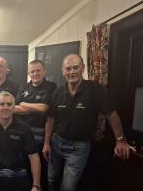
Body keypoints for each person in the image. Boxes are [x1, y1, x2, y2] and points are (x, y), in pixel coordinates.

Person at [42, 53, 135, 191]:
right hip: (56, 143)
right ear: (62, 71)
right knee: (52, 179)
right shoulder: (57, 92)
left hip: (79, 148)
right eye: (68, 68)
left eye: (76, 67)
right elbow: (50, 120)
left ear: (83, 68)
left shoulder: (95, 89)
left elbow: (111, 114)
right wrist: (46, 143)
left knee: (68, 187)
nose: (72, 72)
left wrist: (120, 140)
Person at [0, 91, 41, 191]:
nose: (6, 107)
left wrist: (36, 186)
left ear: (14, 107)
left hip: (19, 180)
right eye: (2, 104)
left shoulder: (25, 129)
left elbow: (34, 157)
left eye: (9, 104)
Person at [15, 59, 56, 190]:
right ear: (28, 73)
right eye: (32, 71)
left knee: (41, 169)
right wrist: (35, 108)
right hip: (22, 133)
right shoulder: (23, 87)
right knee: (24, 166)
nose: (35, 74)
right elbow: (15, 108)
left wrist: (24, 104)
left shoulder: (51, 86)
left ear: (44, 72)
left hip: (41, 134)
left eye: (38, 71)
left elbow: (44, 108)